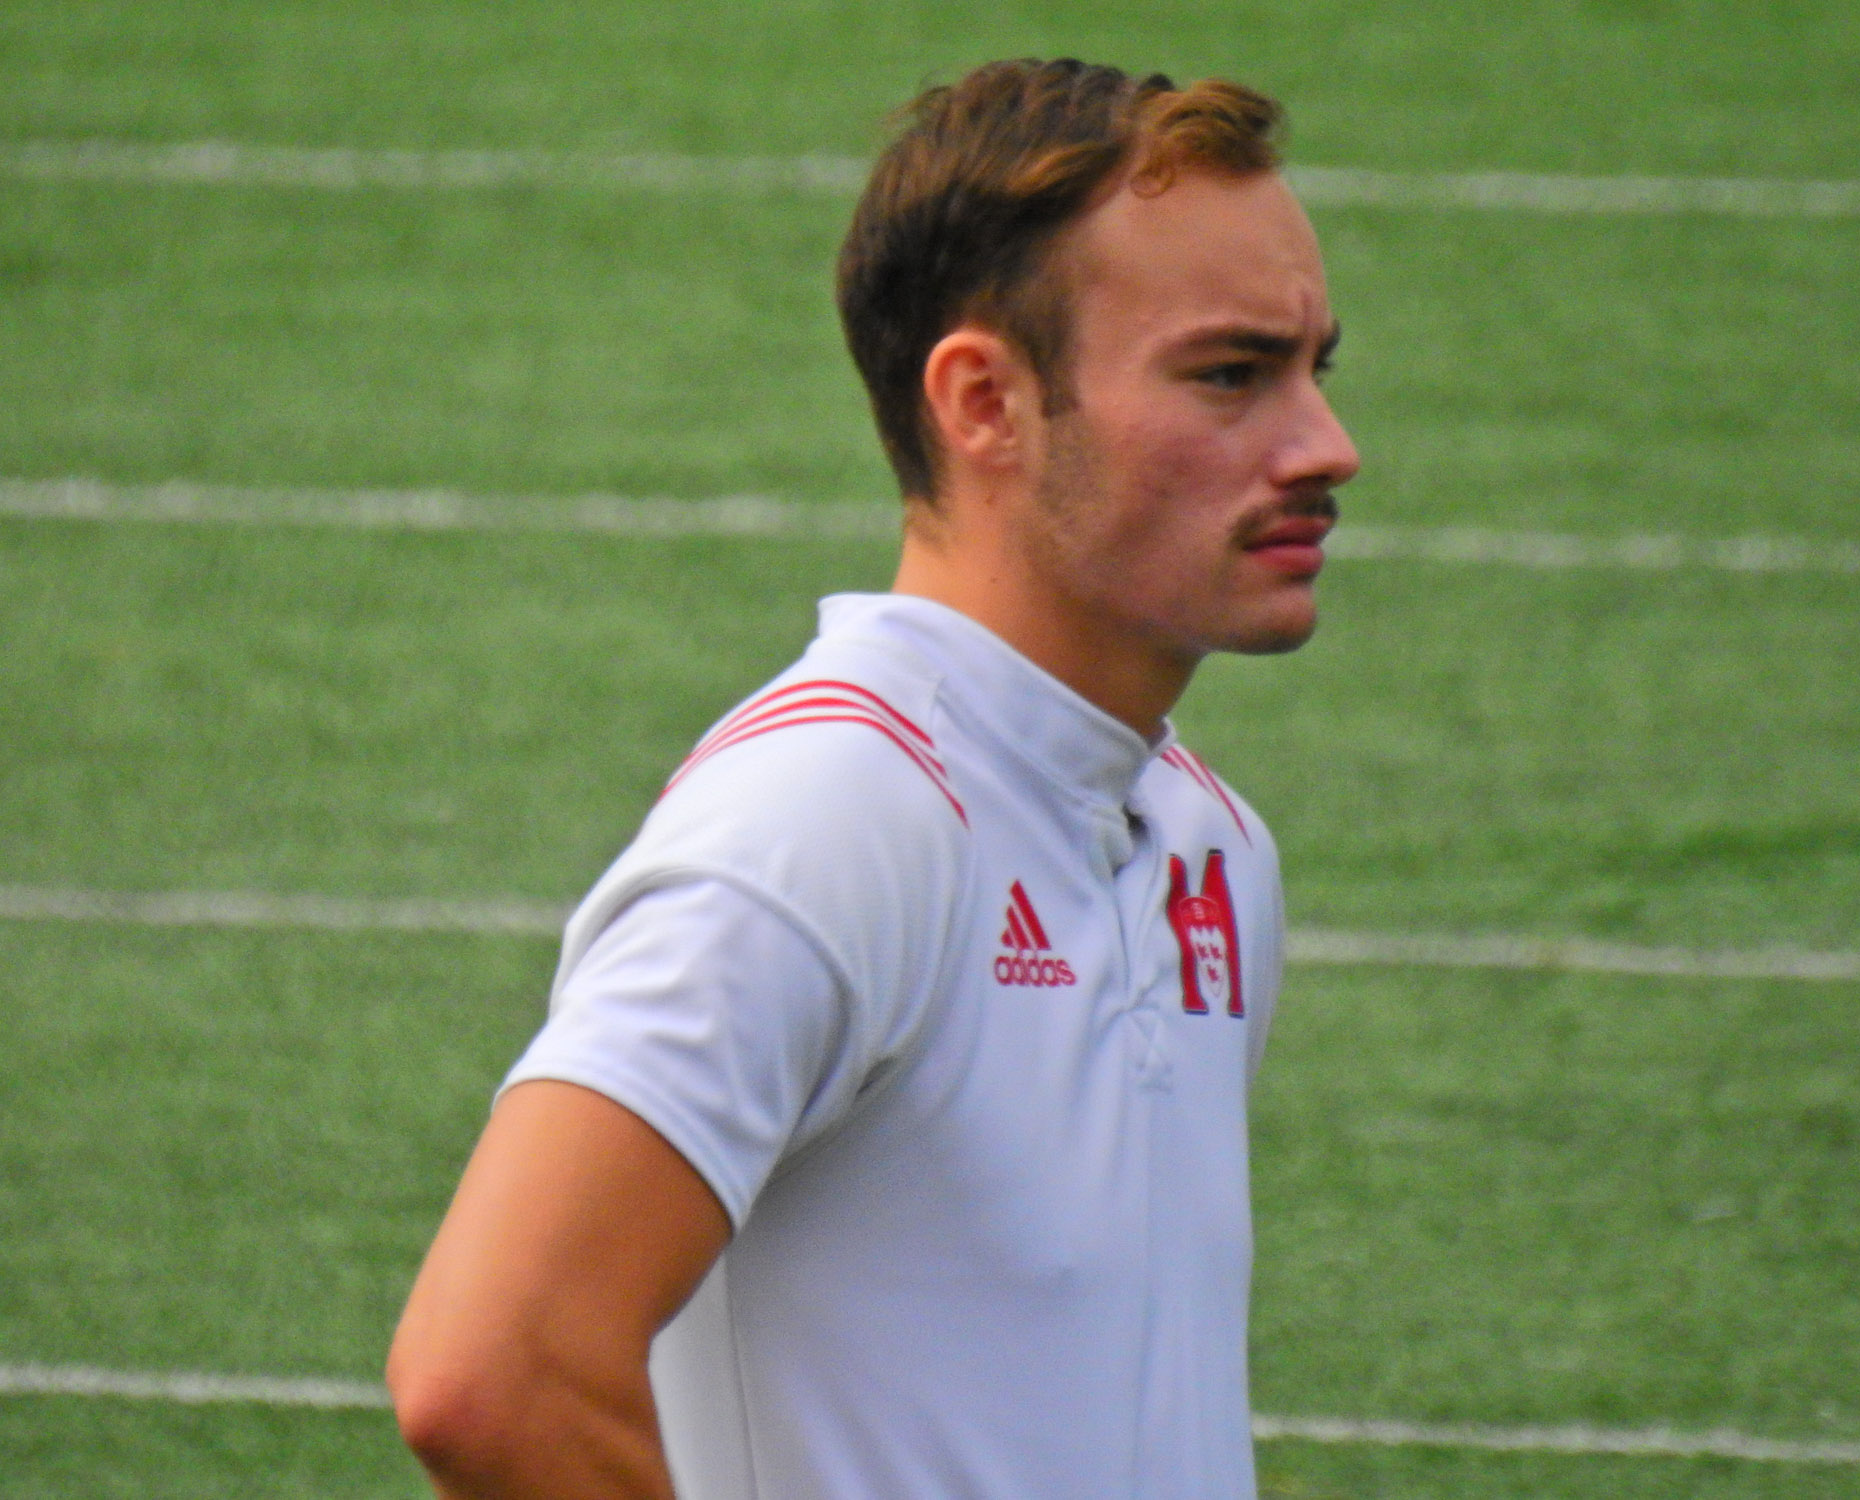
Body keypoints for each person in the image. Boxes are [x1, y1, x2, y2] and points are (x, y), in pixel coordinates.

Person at [387, 56, 1360, 1500]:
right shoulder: (828, 823)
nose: (1325, 448)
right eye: (1230, 375)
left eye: (1314, 369)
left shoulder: (1206, 845)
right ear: (985, 404)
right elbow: (493, 1369)